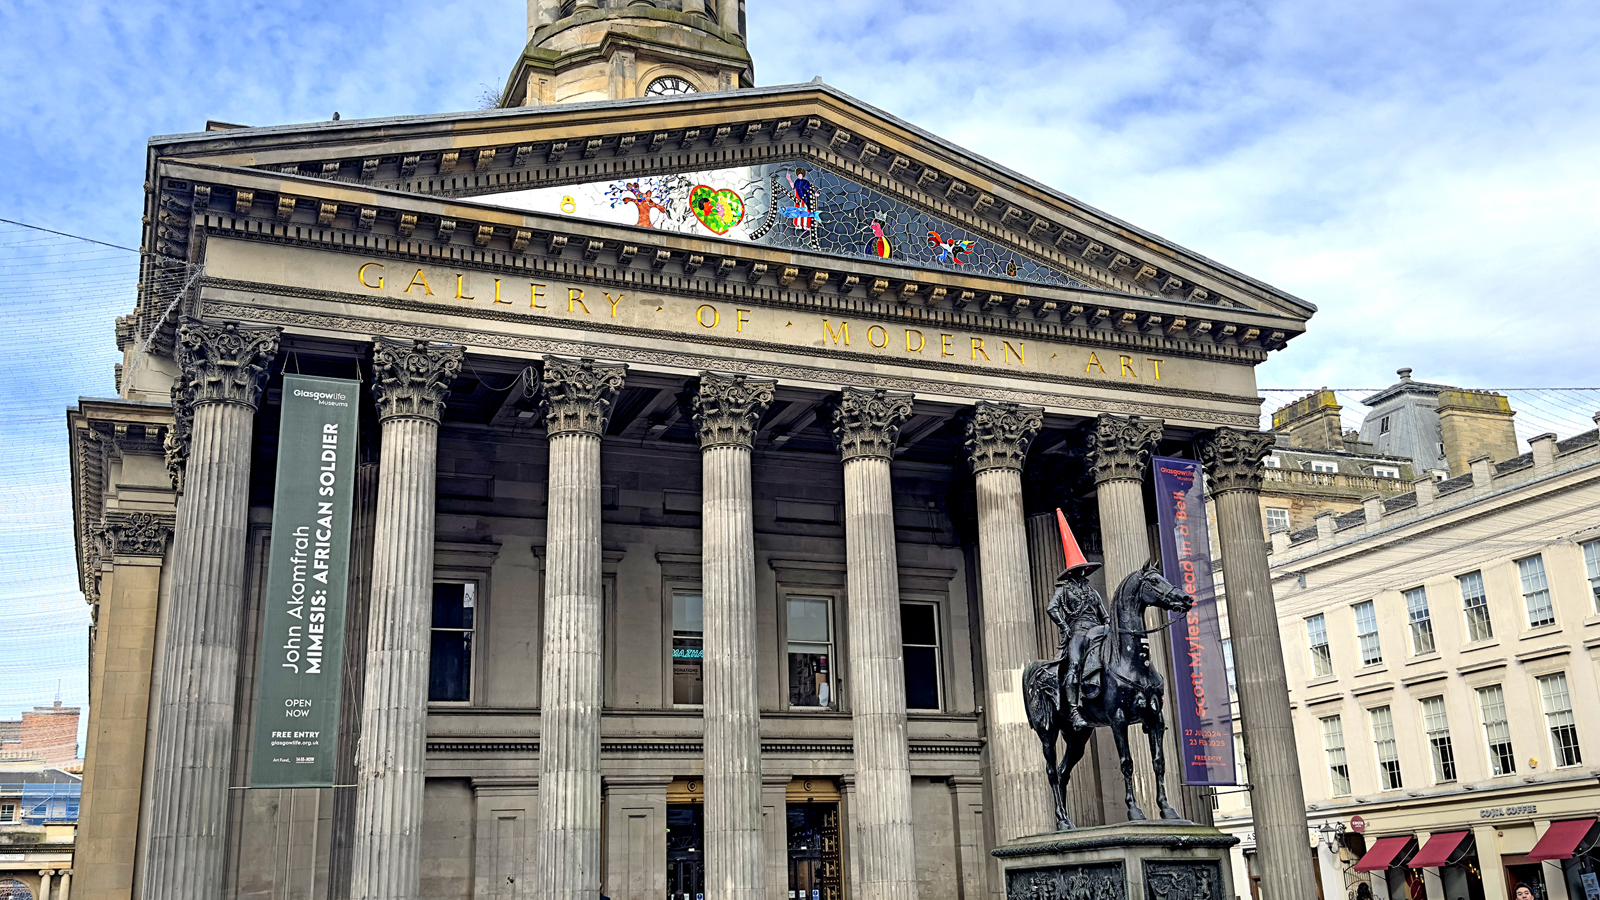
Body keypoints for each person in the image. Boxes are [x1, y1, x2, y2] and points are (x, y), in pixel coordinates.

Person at [1044, 511, 1108, 731]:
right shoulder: (1063, 591)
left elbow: (1104, 615)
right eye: (1079, 570)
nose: (1083, 573)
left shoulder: (1093, 592)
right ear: (1072, 573)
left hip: (1098, 630)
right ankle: (1073, 709)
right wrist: (1064, 626)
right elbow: (1051, 608)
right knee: (1074, 664)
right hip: (1078, 631)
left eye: (1085, 569)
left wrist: (1110, 628)